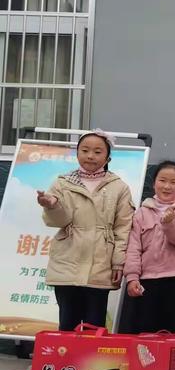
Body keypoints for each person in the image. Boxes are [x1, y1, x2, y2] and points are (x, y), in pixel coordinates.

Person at [37, 129, 134, 331]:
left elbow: (123, 227)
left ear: (108, 157)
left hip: (100, 264)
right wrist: (52, 205)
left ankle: (91, 364)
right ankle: (68, 363)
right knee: (67, 324)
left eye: (98, 152)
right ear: (77, 153)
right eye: (85, 150)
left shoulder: (119, 187)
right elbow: (58, 221)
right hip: (67, 263)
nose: (90, 156)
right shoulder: (62, 183)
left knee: (94, 326)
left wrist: (118, 262)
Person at [123, 161, 175, 333]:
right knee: (144, 331)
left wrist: (171, 223)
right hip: (146, 281)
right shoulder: (142, 211)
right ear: (154, 183)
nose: (167, 186)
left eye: (174, 182)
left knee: (172, 330)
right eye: (162, 180)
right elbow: (133, 247)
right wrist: (133, 277)